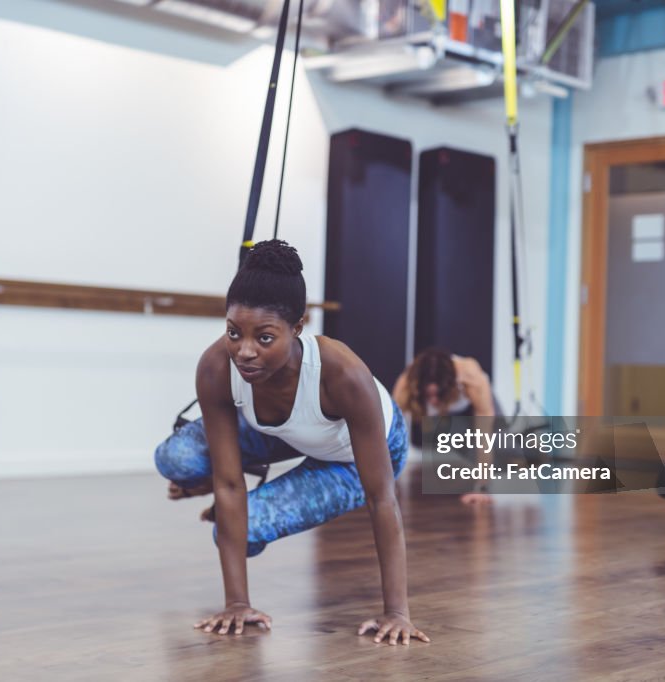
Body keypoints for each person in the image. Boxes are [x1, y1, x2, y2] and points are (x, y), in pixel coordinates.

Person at [155, 240, 428, 645]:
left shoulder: (343, 375)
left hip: (349, 458)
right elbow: (230, 485)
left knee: (239, 532)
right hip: (287, 433)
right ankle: (209, 480)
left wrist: (397, 612)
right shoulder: (217, 366)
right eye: (234, 332)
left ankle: (247, 483)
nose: (244, 352)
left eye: (264, 338)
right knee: (174, 456)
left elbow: (381, 498)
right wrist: (236, 604)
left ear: (297, 327)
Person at [392, 348, 497, 505]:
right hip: (434, 408)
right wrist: (385, 484)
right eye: (429, 396)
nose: (434, 401)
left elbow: (485, 437)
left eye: (438, 395)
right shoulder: (406, 384)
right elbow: (388, 433)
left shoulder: (472, 379)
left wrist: (482, 487)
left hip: (467, 406)